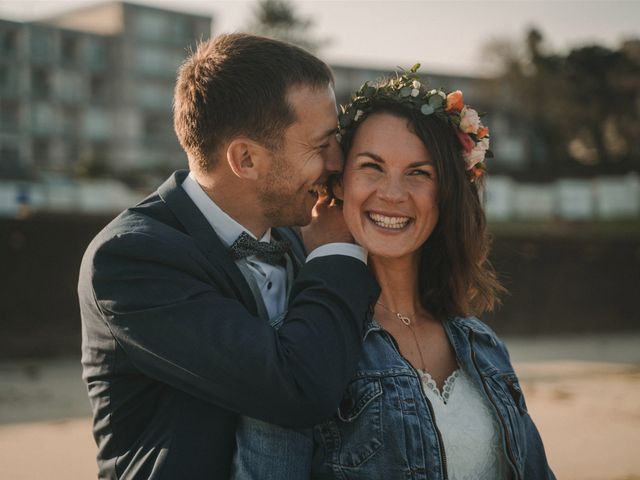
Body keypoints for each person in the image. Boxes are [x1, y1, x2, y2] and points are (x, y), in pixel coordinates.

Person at [77, 33, 380, 479]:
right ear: (246, 159)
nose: (339, 161)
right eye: (321, 145)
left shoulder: (299, 237)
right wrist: (337, 250)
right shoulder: (129, 259)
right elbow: (297, 389)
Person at [232, 65, 555, 479]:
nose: (392, 194)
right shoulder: (300, 350)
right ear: (340, 183)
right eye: (372, 166)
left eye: (419, 173)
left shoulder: (483, 344)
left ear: (446, 192)